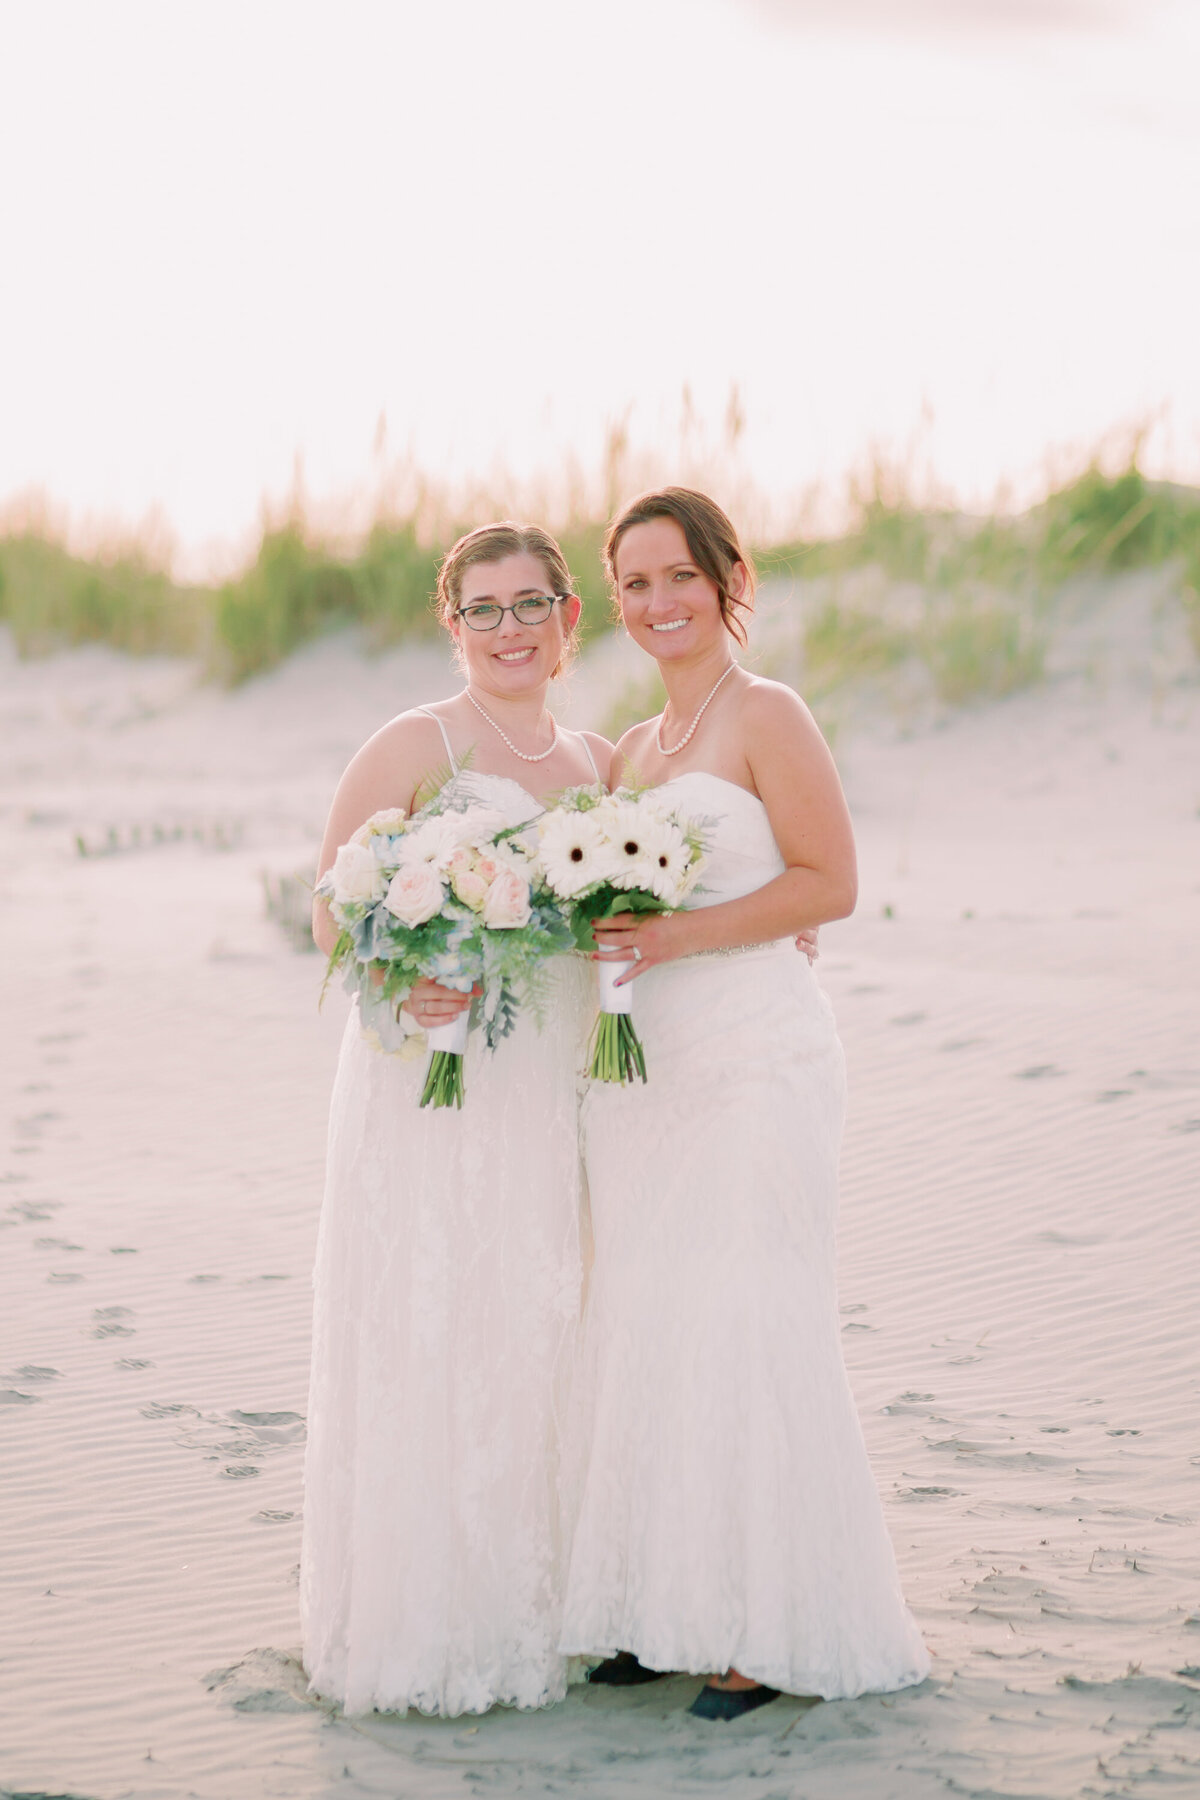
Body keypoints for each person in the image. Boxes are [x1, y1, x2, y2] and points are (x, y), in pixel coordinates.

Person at [560, 488, 930, 1719]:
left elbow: (833, 884)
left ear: (727, 581)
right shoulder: (624, 752)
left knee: (748, 1316)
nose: (657, 604)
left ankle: (766, 1630)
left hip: (756, 1061)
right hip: (645, 1077)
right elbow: (597, 917)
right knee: (649, 1319)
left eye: (678, 577)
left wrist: (683, 937)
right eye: (634, 585)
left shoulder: (769, 715)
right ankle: (658, 1613)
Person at [301, 522, 611, 1717]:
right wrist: (402, 978)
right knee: (430, 1313)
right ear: (452, 625)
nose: (510, 629)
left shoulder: (591, 761)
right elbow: (334, 908)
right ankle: (425, 1619)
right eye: (483, 609)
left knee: (532, 1313)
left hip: (542, 1079)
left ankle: (536, 1601)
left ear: (568, 617)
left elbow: (626, 892)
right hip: (426, 1070)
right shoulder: (414, 742)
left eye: (532, 604)